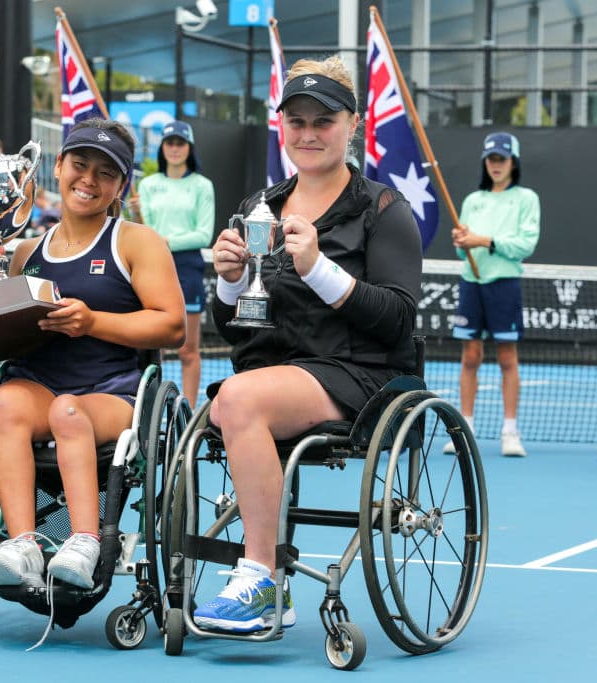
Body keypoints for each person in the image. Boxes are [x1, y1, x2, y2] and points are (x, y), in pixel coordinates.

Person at [194, 56, 422, 633]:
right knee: (236, 397)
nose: (308, 133)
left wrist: (318, 266)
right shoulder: (257, 209)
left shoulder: (384, 211)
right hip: (271, 373)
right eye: (295, 121)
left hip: (361, 376)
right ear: (281, 129)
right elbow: (234, 323)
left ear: (353, 124)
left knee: (238, 400)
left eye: (323, 120)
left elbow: (397, 318)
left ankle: (262, 578)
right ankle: (264, 578)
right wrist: (227, 279)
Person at [0, 118, 185, 590]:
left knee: (69, 412)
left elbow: (172, 325)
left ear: (121, 185)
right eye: (79, 165)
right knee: (2, 403)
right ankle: (23, 543)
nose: (88, 180)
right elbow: (6, 333)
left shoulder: (135, 241)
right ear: (59, 167)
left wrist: (93, 322)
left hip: (111, 393)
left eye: (105, 173)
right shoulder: (24, 253)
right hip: (39, 384)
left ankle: (85, 542)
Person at [445, 132, 539, 458]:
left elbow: (524, 245)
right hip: (472, 282)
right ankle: (464, 428)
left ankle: (510, 431)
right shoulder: (473, 200)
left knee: (506, 358)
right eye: (491, 159)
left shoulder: (526, 199)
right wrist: (462, 242)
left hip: (504, 284)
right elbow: (463, 253)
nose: (496, 165)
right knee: (470, 357)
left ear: (513, 161)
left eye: (502, 159)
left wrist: (482, 240)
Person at [132, 121, 215, 408]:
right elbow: (147, 230)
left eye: (181, 143)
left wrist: (164, 242)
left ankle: (188, 414)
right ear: (162, 148)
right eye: (170, 143)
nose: (175, 148)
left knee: (187, 350)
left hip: (188, 267)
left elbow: (204, 234)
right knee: (153, 347)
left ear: (189, 147)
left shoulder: (203, 186)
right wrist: (146, 232)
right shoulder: (148, 185)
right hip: (153, 267)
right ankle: (150, 410)